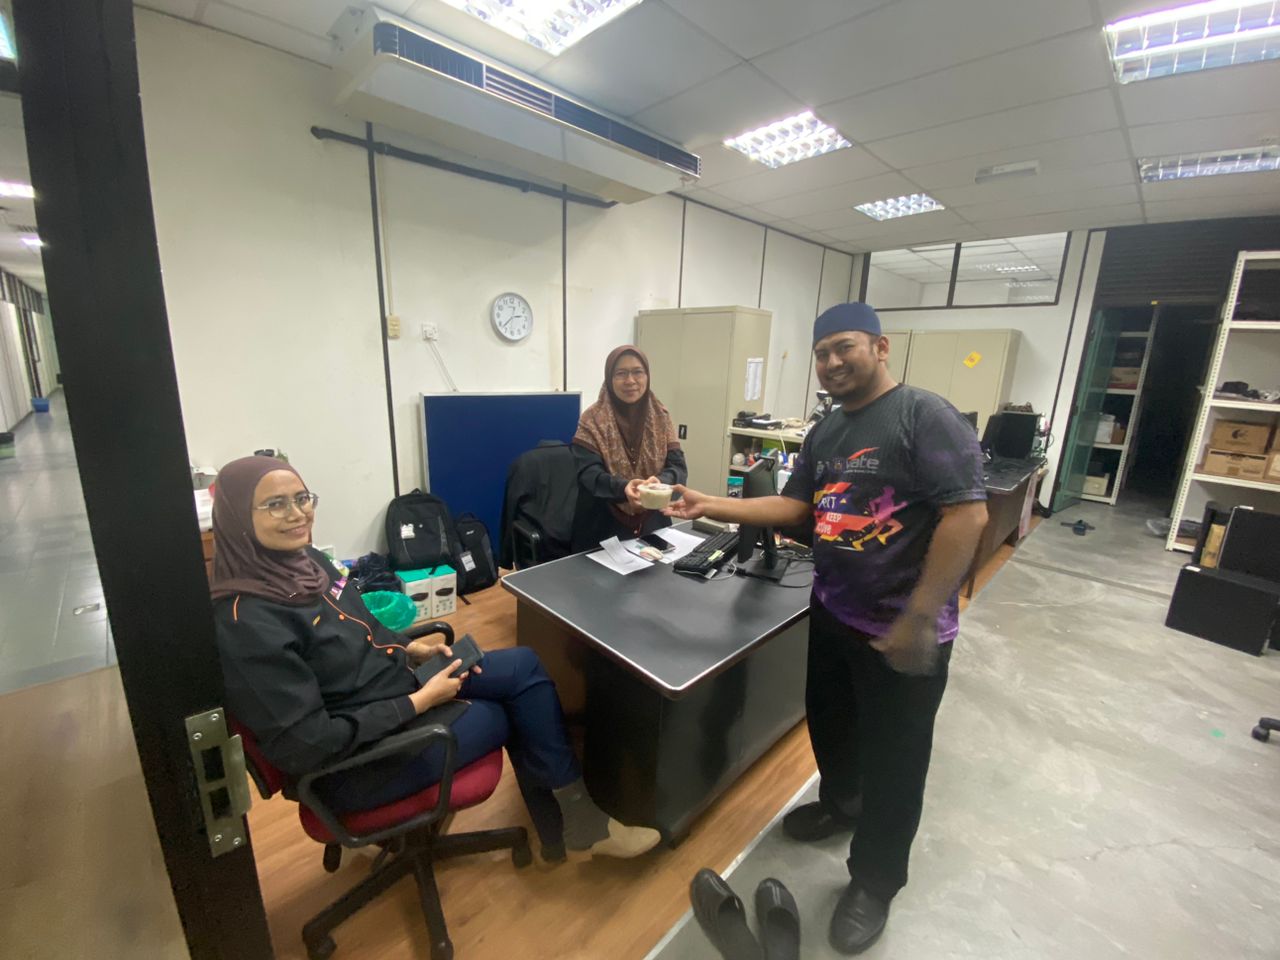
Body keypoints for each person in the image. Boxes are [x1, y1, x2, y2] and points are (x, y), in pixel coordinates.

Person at [667, 303, 987, 954]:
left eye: (845, 347)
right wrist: (710, 503)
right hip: (834, 613)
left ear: (880, 347)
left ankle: (875, 879)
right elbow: (798, 507)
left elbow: (968, 516)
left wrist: (918, 615)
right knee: (833, 726)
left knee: (896, 761)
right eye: (822, 353)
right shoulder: (828, 430)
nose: (833, 362)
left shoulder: (923, 415)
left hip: (903, 631)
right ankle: (843, 805)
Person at [209, 455, 660, 861]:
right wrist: (421, 702)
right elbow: (308, 743)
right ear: (236, 517)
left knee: (523, 665)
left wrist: (411, 649)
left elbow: (364, 624)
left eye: (302, 498)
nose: (297, 513)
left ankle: (569, 827)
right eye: (275, 505)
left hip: (390, 688)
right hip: (358, 763)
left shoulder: (309, 562)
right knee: (510, 709)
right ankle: (577, 828)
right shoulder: (245, 621)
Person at [572, 345, 687, 547]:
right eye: (621, 373)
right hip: (602, 527)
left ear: (647, 376)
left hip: (654, 524)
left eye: (637, 372)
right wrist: (623, 487)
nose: (630, 380)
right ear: (609, 378)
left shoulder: (661, 416)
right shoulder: (592, 420)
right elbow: (588, 474)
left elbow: (678, 468)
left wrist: (658, 485)